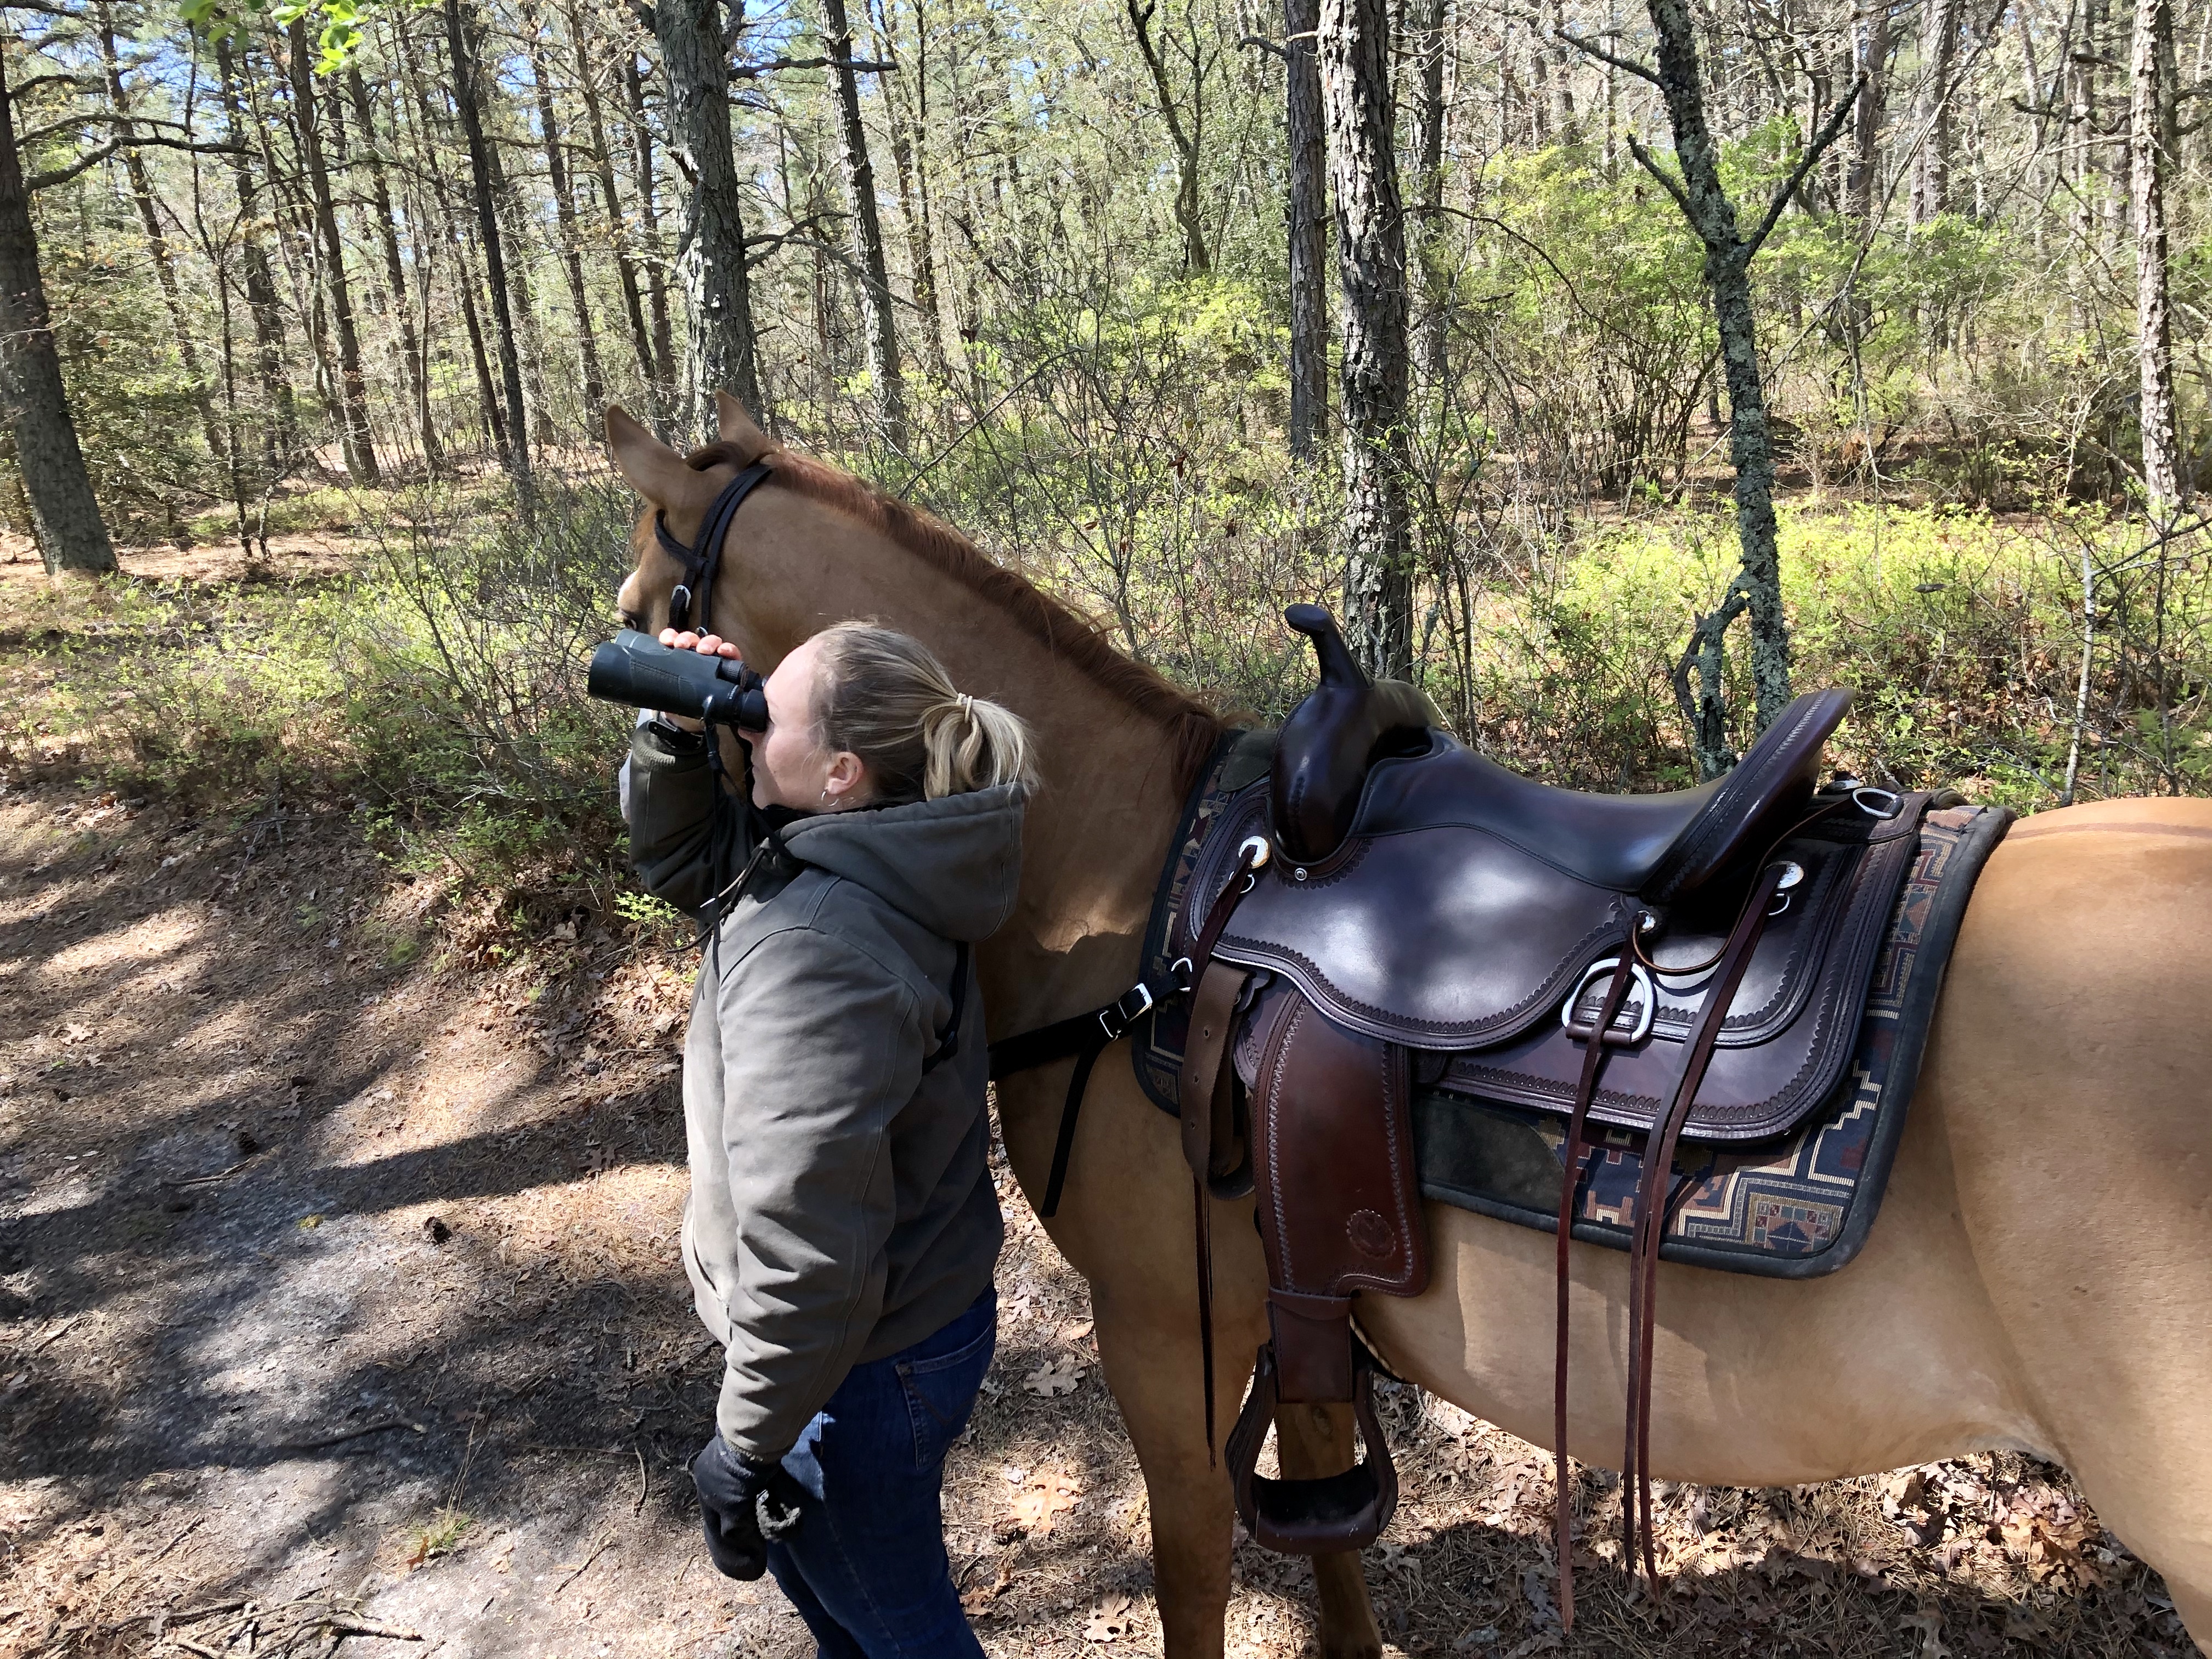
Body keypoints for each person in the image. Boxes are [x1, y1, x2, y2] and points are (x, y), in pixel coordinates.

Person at [623, 619, 1034, 1658]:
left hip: (852, 1367)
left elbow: (809, 1248)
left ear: (842, 772)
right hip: (902, 1322)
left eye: (771, 712)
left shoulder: (818, 951)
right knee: (847, 1609)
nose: (747, 720)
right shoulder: (872, 849)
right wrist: (676, 735)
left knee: (902, 1631)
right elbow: (685, 861)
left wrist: (746, 1440)